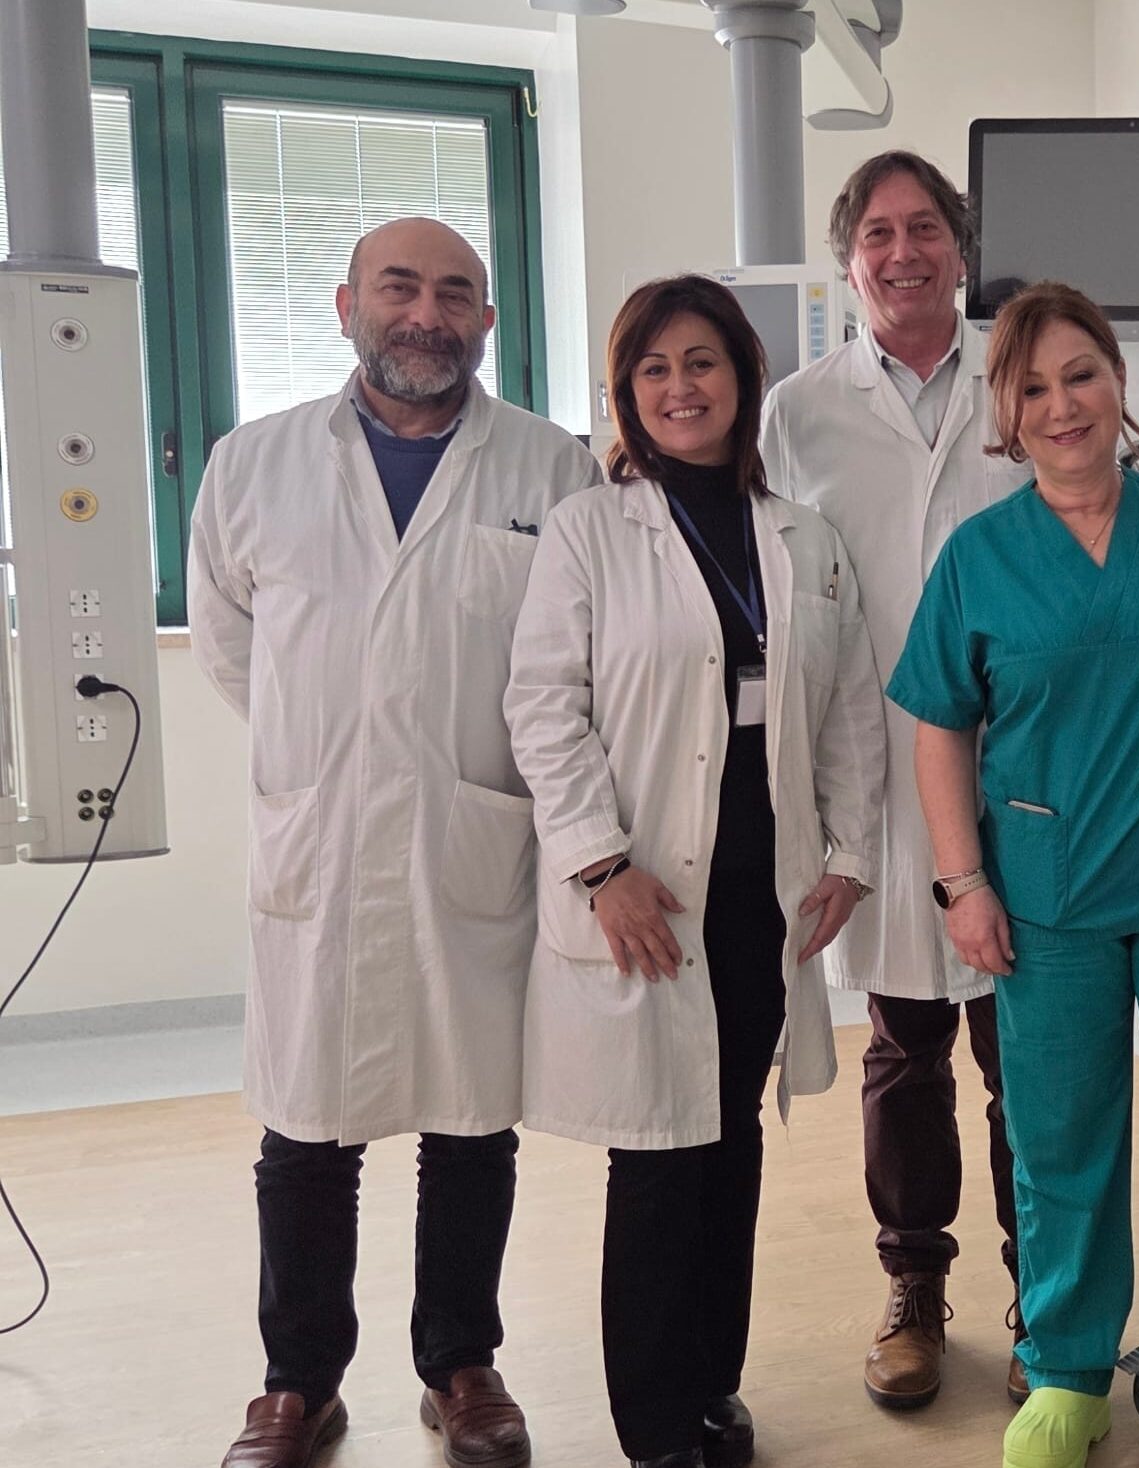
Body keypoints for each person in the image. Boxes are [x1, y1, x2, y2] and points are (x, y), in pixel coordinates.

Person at [188, 216, 604, 1468]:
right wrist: (336, 752)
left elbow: (577, 656)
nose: (427, 313)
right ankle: (296, 1382)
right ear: (346, 305)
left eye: (455, 293)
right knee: (304, 1127)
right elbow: (231, 645)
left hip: (471, 837)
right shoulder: (254, 464)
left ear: (488, 320)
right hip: (319, 836)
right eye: (400, 287)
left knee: (471, 1122)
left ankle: (460, 1364)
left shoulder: (550, 469)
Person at [889, 282, 1139, 1468]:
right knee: (1060, 1139)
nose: (1061, 404)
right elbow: (938, 725)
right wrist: (962, 883)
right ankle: (1066, 1366)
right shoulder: (978, 556)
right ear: (1005, 414)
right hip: (1045, 898)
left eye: (1080, 375)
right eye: (1031, 387)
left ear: (1118, 383)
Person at [505, 275, 887, 1468]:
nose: (681, 387)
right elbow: (543, 707)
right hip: (649, 888)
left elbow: (848, 709)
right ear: (627, 391)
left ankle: (714, 1386)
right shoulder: (589, 529)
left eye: (702, 362)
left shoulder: (802, 536)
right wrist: (598, 863)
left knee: (730, 1143)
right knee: (657, 1158)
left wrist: (850, 854)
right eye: (655, 368)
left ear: (742, 378)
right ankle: (656, 1428)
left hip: (760, 889)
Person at [759, 149, 1034, 1407]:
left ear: (959, 250)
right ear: (847, 259)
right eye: (877, 233)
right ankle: (914, 1285)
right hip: (871, 769)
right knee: (903, 1045)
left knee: (1030, 1056)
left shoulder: (1021, 376)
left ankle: (1048, 1294)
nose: (902, 252)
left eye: (924, 228)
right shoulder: (797, 412)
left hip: (1022, 771)